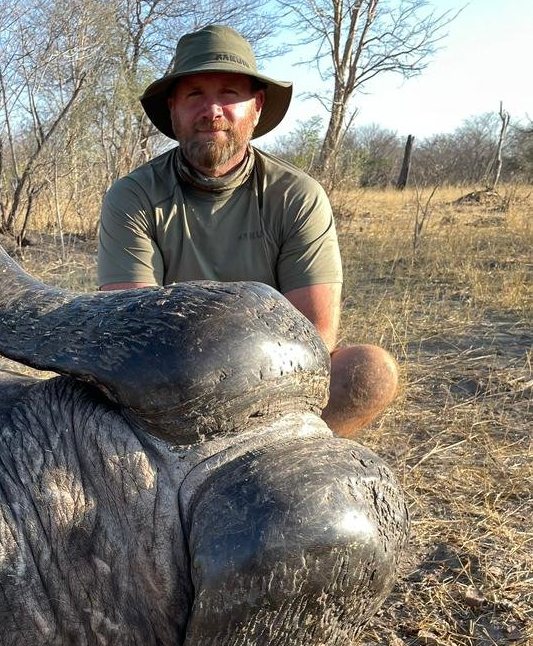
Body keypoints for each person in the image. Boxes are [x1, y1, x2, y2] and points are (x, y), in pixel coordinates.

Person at [97, 24, 398, 437]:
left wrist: (243, 393)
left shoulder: (298, 196)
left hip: (273, 389)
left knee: (370, 372)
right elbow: (131, 332)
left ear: (256, 106)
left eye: (229, 93)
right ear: (173, 109)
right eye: (194, 95)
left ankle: (290, 455)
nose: (212, 111)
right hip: (167, 393)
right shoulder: (132, 197)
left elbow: (314, 338)